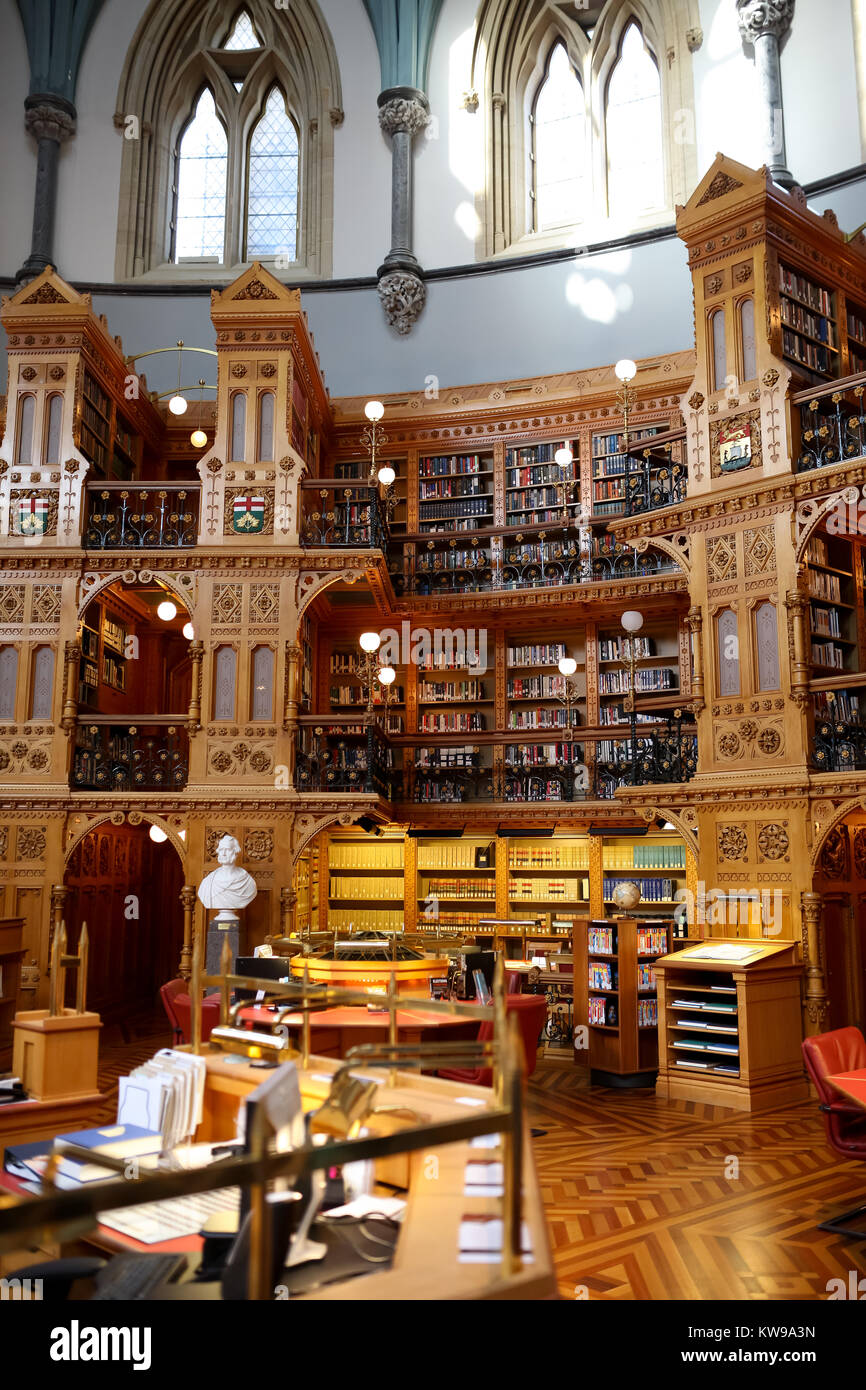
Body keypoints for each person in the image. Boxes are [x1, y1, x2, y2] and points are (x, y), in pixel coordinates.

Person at [197, 834, 258, 910]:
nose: (224, 853)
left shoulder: (247, 881)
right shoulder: (208, 882)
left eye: (228, 849)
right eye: (221, 849)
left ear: (235, 851)